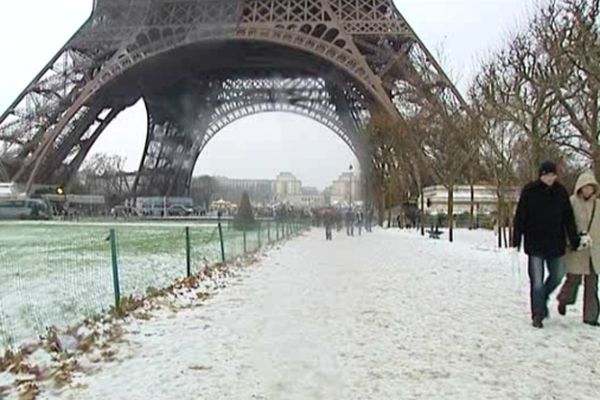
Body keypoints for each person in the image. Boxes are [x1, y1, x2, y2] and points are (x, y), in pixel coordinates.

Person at [513, 161, 581, 328]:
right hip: (535, 244)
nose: (550, 178)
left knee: (557, 275)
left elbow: (568, 218)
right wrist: (516, 239)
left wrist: (573, 239)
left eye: (552, 175)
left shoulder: (561, 192)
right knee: (536, 280)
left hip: (555, 243)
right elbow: (520, 216)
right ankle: (537, 314)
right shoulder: (529, 191)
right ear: (541, 175)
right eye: (546, 175)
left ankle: (542, 297)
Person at [557, 171, 600, 326]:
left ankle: (591, 317)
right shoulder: (571, 203)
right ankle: (564, 299)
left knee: (592, 284)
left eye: (591, 187)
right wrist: (572, 240)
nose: (588, 190)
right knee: (573, 280)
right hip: (576, 248)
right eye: (585, 187)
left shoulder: (598, 205)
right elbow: (565, 224)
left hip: (593, 250)